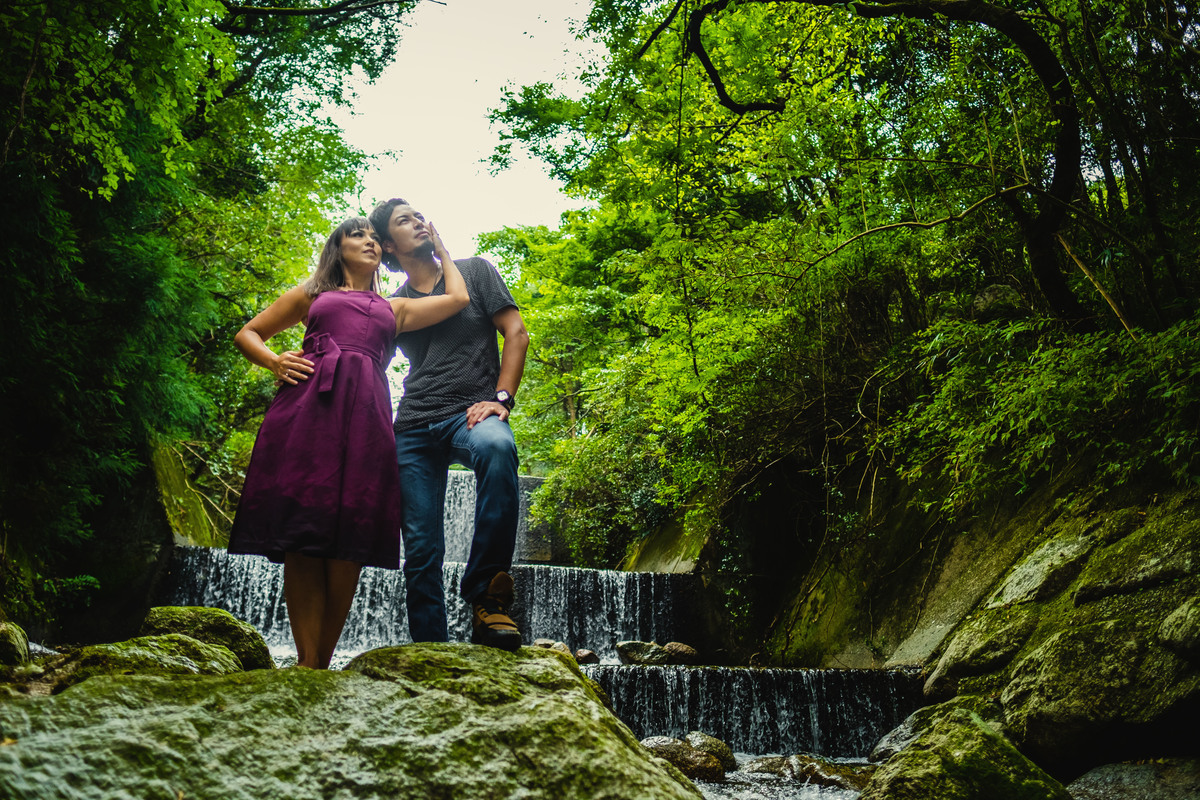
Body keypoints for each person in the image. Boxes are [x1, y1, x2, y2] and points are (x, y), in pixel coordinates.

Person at [227, 216, 469, 669]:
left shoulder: (393, 308)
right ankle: (306, 661)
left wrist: (439, 247)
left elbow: (458, 298)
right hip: (305, 411)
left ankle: (322, 661)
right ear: (337, 248)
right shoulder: (312, 294)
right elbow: (248, 333)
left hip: (367, 415)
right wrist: (275, 362)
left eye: (375, 238)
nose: (370, 242)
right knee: (303, 531)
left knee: (351, 537)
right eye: (358, 235)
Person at [368, 198, 530, 651]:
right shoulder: (392, 304)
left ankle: (487, 596)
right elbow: (366, 362)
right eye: (405, 221)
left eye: (419, 215)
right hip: (415, 424)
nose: (419, 222)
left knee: (498, 448)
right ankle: (430, 649)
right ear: (387, 245)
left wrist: (501, 398)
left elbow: (516, 334)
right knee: (420, 547)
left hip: (473, 412)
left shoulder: (475, 271)